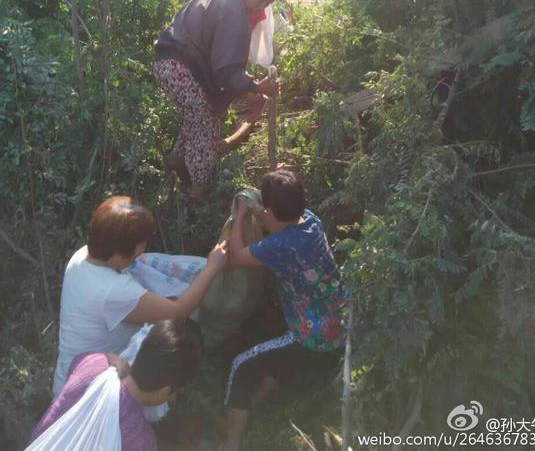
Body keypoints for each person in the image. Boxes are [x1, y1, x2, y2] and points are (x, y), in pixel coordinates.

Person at [52, 196, 226, 397]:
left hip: (71, 377)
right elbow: (179, 312)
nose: (143, 248)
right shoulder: (114, 291)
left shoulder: (83, 256)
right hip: (88, 395)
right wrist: (211, 268)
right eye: (141, 243)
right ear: (122, 250)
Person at [224, 170, 348, 450]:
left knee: (240, 367)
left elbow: (237, 256)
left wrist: (241, 215)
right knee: (274, 350)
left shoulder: (281, 245)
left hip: (314, 336)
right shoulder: (311, 221)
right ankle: (254, 408)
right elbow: (283, 224)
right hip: (339, 319)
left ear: (270, 210)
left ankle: (228, 444)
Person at [155, 0, 285, 203]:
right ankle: (197, 194)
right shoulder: (234, 14)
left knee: (196, 118)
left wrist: (248, 88)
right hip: (182, 68)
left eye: (268, 4)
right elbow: (226, 73)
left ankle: (175, 165)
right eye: (262, 0)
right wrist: (256, 87)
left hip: (167, 62)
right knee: (203, 127)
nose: (262, 7)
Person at [30, 319, 202, 451]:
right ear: (165, 391)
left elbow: (78, 361)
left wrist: (109, 357)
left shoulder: (94, 363)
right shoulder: (141, 439)